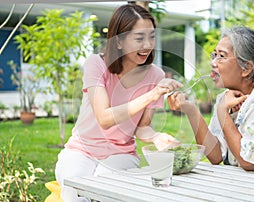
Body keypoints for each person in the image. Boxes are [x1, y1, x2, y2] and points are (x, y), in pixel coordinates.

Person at [55, 4, 182, 202]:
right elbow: (105, 118)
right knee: (75, 195)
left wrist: (156, 137)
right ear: (119, 41)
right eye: (139, 38)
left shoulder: (155, 75)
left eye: (152, 36)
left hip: (120, 154)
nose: (147, 45)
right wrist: (152, 94)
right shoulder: (96, 64)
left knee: (107, 192)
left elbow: (143, 128)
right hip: (81, 150)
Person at [167, 26, 254, 174]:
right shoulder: (226, 97)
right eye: (214, 55)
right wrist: (190, 109)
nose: (213, 62)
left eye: (222, 56)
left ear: (246, 68)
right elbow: (215, 155)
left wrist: (222, 112)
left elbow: (250, 162)